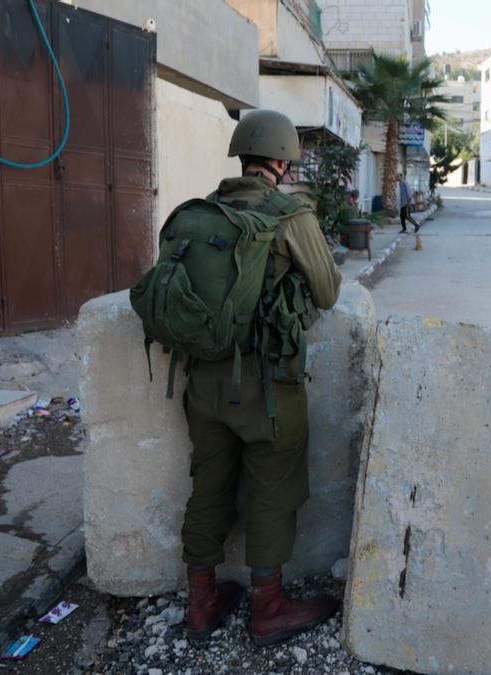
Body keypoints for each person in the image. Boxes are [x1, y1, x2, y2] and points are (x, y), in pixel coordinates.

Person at [182, 109, 342, 647]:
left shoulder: (204, 212)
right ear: (281, 160)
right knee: (273, 490)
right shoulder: (288, 214)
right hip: (268, 386)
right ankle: (268, 607)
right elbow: (327, 291)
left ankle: (202, 604)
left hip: (203, 382)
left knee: (208, 488)